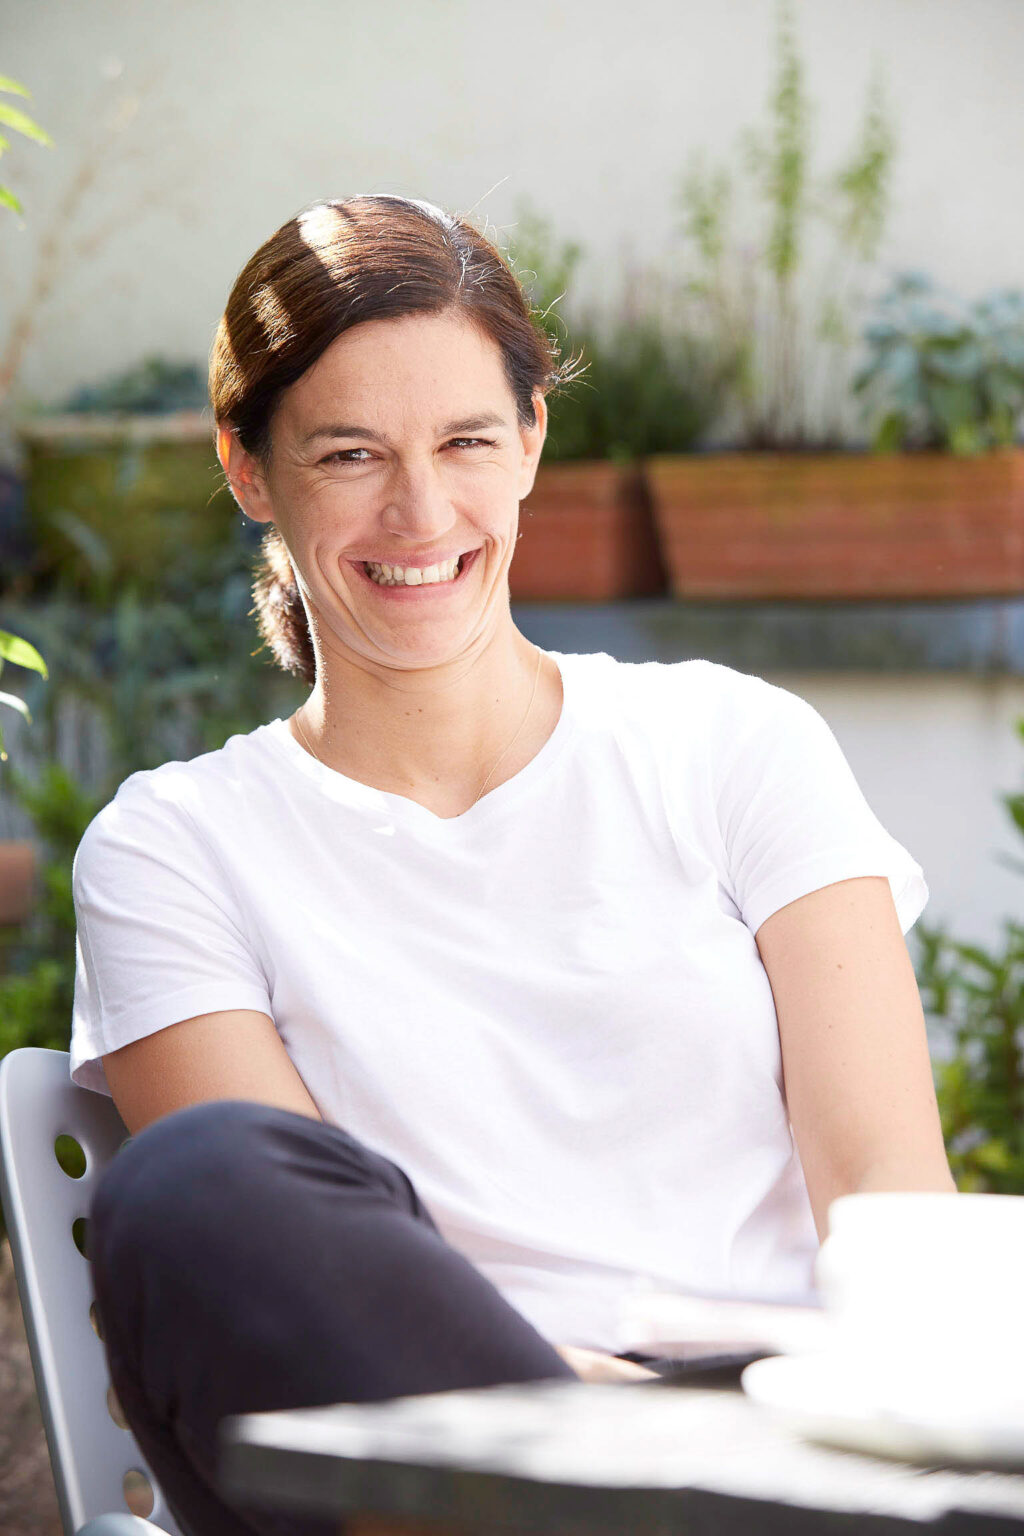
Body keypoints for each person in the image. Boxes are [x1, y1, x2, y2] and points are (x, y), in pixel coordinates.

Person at [70, 193, 955, 1536]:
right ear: (249, 472)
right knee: (196, 1184)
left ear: (533, 439)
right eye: (351, 453)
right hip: (437, 1458)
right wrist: (588, 1425)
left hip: (774, 1449)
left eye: (467, 441)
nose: (420, 510)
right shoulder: (173, 847)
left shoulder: (735, 745)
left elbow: (888, 1200)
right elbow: (298, 1276)